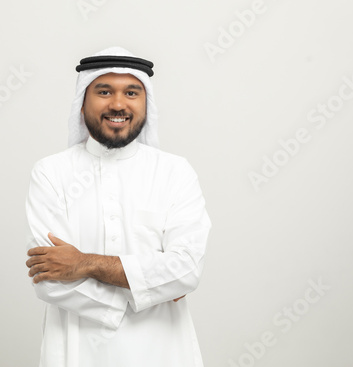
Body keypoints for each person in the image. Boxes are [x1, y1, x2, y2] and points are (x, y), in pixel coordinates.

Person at [25, 46, 212, 367]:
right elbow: (50, 279)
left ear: (145, 103)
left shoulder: (175, 172)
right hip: (77, 352)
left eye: (131, 92)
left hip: (164, 352)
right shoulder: (51, 172)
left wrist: (84, 263)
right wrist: (154, 287)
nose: (118, 103)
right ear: (82, 104)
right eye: (104, 91)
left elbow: (187, 270)